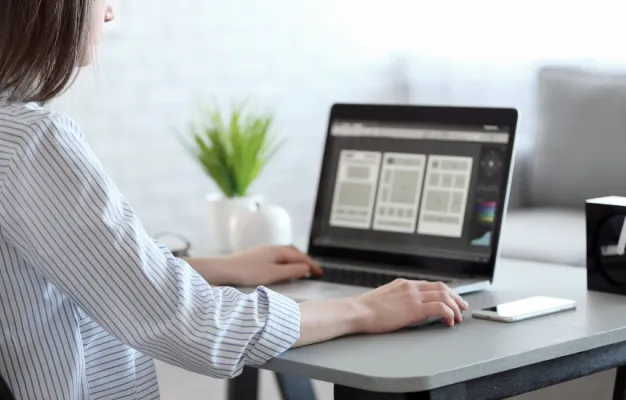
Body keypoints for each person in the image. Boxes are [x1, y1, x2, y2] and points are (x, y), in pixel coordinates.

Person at [0, 1, 469, 399]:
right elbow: (194, 327)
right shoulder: (33, 141)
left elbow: (70, 271)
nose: (108, 13)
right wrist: (365, 309)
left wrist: (221, 267)